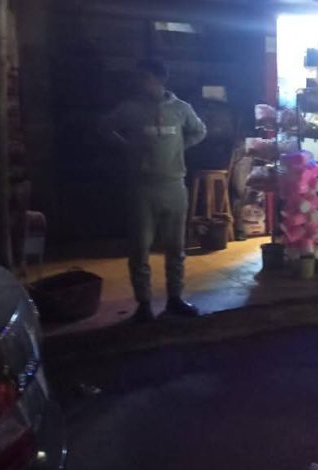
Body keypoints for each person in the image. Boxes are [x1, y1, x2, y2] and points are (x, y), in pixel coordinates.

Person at [102, 59, 207, 321]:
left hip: (174, 185)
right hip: (142, 187)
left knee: (176, 248)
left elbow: (199, 131)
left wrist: (179, 147)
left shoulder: (181, 109)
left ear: (159, 79)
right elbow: (105, 128)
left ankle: (175, 299)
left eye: (144, 77)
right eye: (138, 77)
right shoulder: (130, 108)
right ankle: (144, 305)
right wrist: (128, 147)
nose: (139, 82)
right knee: (139, 248)